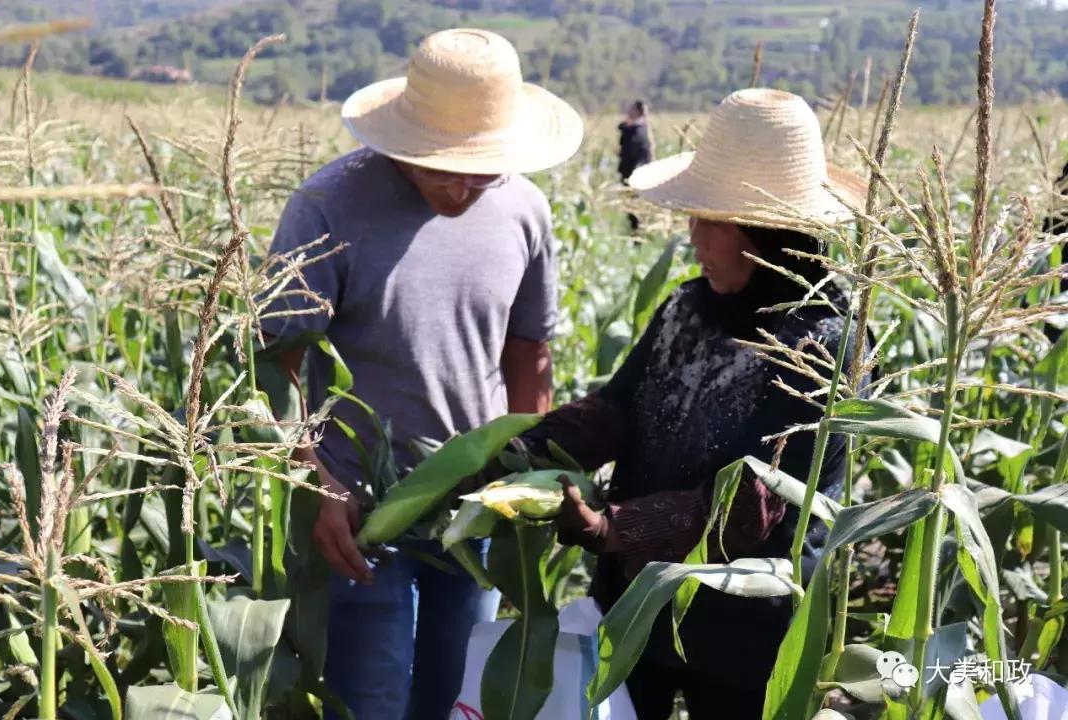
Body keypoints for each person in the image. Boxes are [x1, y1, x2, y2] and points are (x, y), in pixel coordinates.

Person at [259, 28, 583, 720]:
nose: (465, 185)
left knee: (454, 699)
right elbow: (278, 360)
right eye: (445, 165)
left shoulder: (525, 210)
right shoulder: (327, 207)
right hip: (359, 515)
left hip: (477, 509)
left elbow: (529, 353)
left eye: (484, 167)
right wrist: (318, 483)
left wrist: (531, 480)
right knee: (371, 701)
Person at [517, 88, 868, 719]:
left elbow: (757, 498)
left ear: (766, 235)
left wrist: (614, 529)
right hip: (637, 612)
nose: (693, 237)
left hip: (747, 627)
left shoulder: (823, 341)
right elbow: (619, 408)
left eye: (711, 220)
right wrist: (534, 446)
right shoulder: (686, 308)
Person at [618, 99, 653, 231]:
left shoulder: (636, 132)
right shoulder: (641, 130)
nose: (628, 112)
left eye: (631, 109)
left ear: (638, 112)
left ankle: (637, 235)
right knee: (634, 207)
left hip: (632, 174)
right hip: (635, 174)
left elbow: (630, 152)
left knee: (634, 208)